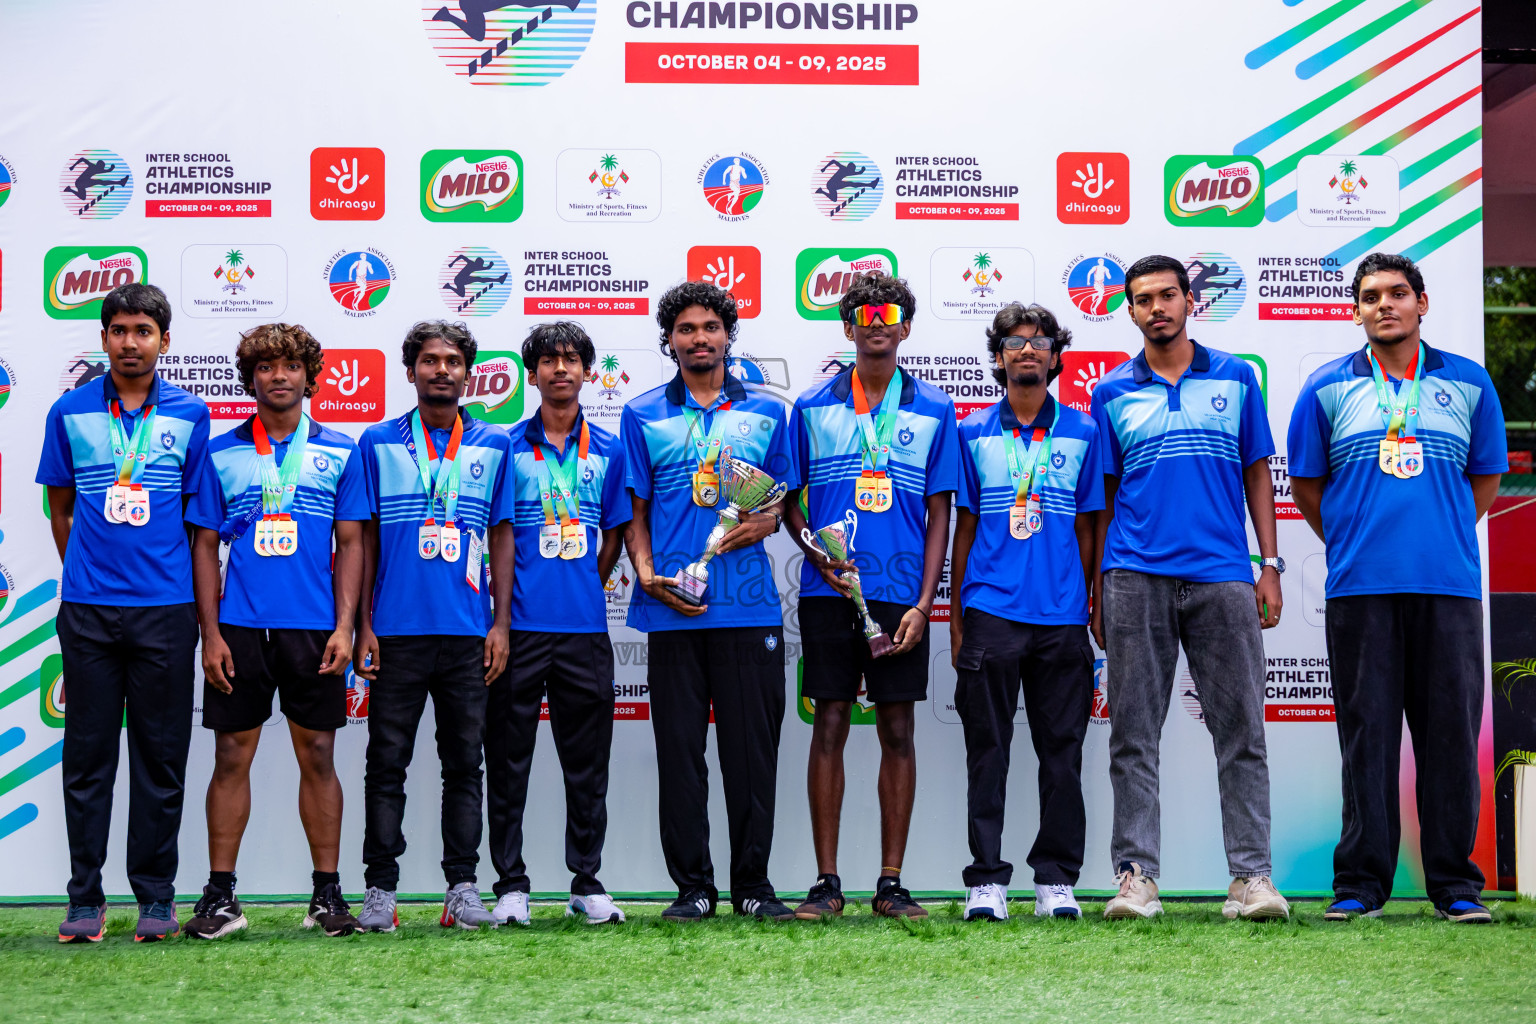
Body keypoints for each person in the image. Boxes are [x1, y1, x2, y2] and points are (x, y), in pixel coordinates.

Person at [1288, 253, 1507, 925]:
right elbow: (1306, 487)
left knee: (1448, 738)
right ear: (1355, 310)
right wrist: (1359, 539)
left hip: (1448, 587)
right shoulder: (1326, 387)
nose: (1385, 304)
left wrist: (1436, 533)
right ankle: (1360, 883)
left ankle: (1456, 885)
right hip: (1360, 589)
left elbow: (1486, 480)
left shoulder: (1469, 384)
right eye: (1371, 296)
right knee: (1367, 738)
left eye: (1397, 293)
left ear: (1422, 302)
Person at [1090, 254, 1289, 921]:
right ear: (1131, 310)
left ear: (1188, 301)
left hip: (1223, 574)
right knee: (1133, 735)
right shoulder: (1112, 390)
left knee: (1241, 731)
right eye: (1143, 299)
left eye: (1168, 295)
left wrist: (1271, 564)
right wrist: (1100, 586)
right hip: (1133, 574)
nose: (1157, 308)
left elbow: (1258, 473)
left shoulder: (1236, 378)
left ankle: (1251, 878)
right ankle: (1137, 877)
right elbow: (1107, 496)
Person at [182, 324, 370, 939]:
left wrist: (345, 627)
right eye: (265, 367)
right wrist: (210, 634)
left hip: (315, 629)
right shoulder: (219, 451)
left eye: (290, 365)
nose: (278, 376)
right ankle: (220, 895)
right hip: (239, 629)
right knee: (231, 755)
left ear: (309, 376)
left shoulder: (343, 451)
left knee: (318, 755)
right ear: (251, 379)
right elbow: (204, 547)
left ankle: (327, 894)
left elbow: (351, 544)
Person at [783, 272, 959, 920]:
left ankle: (891, 882)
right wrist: (814, 554)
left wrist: (923, 602)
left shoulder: (935, 409)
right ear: (848, 326)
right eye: (864, 312)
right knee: (827, 720)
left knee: (897, 727)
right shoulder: (811, 407)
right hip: (829, 589)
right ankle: (827, 882)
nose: (877, 321)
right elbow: (789, 507)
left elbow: (942, 513)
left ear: (906, 326)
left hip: (899, 596)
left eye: (889, 312)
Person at [38, 283, 210, 942]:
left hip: (166, 612)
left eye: (144, 330)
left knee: (160, 759)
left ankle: (156, 897)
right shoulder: (69, 412)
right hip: (87, 611)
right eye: (119, 330)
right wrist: (87, 573)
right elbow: (60, 508)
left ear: (164, 340)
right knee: (87, 758)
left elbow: (200, 526)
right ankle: (85, 897)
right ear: (103, 338)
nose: (130, 341)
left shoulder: (191, 416)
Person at [621, 281, 796, 922]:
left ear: (728, 335)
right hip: (674, 606)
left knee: (751, 755)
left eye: (711, 327)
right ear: (669, 340)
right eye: (686, 328)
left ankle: (754, 885)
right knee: (680, 754)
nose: (700, 338)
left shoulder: (769, 413)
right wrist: (643, 571)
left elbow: (782, 497)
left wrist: (769, 520)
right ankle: (693, 886)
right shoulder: (642, 415)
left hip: (749, 607)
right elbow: (634, 509)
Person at [353, 321, 514, 932]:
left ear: (468, 371)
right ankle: (380, 890)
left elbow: (501, 535)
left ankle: (462, 888)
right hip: (396, 633)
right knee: (386, 763)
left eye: (451, 360)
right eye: (428, 360)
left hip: (468, 633)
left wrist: (499, 622)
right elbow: (362, 539)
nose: (440, 370)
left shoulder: (493, 444)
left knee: (463, 766)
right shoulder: (376, 443)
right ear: (411, 370)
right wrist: (365, 623)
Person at [948, 303, 1102, 922]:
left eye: (1039, 341)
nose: (1028, 350)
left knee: (1061, 752)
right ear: (999, 357)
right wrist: (958, 616)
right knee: (988, 750)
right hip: (990, 611)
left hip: (1062, 616)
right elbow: (963, 527)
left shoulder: (1084, 433)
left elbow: (1093, 525)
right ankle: (986, 879)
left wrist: (1088, 599)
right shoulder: (972, 433)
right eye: (1015, 342)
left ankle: (1055, 878)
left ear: (1055, 354)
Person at [486, 323, 631, 927]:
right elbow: (500, 535)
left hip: (584, 631)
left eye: (572, 360)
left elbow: (616, 534)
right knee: (508, 760)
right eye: (548, 361)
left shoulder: (611, 448)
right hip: (517, 633)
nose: (561, 370)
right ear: (532, 373)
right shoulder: (504, 446)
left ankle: (587, 881)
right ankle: (511, 885)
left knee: (587, 763)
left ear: (588, 372)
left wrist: (580, 589)